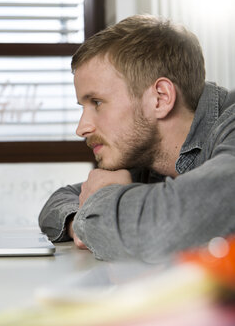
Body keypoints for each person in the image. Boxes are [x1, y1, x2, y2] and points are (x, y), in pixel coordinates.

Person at [38, 15, 235, 263]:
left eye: (97, 102)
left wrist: (94, 212)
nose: (82, 128)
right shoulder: (146, 157)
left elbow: (168, 229)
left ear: (160, 99)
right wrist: (82, 219)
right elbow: (60, 200)